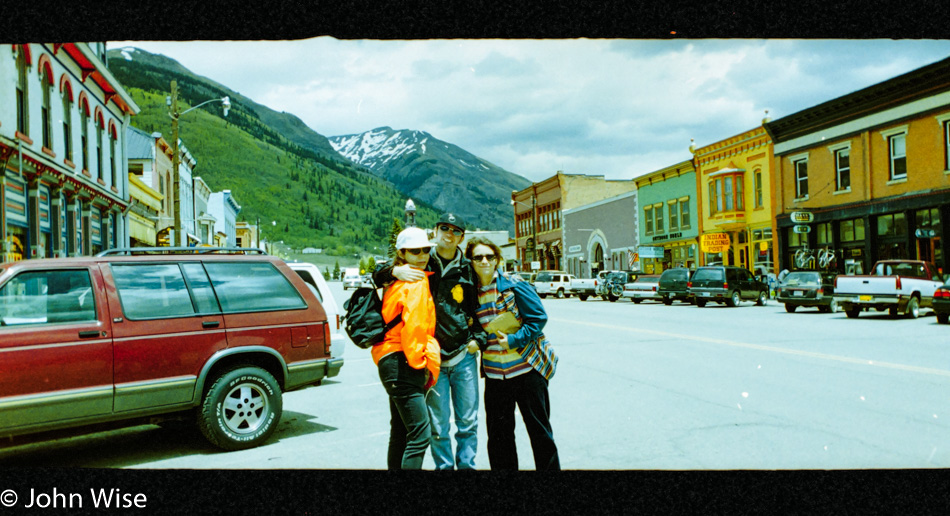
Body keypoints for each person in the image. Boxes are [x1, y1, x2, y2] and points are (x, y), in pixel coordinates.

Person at [373, 213, 489, 471]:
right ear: (435, 230)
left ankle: (467, 468)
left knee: (468, 422)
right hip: (431, 360)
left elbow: (476, 310)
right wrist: (393, 270)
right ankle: (444, 469)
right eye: (444, 228)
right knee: (437, 425)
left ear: (461, 236)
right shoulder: (419, 266)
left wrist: (478, 340)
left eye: (456, 230)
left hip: (462, 356)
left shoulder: (468, 269)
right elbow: (376, 273)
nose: (449, 233)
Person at [466, 236, 560, 470]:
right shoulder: (470, 293)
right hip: (495, 376)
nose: (485, 261)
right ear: (471, 261)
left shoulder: (513, 284)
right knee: (499, 439)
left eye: (490, 256)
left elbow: (538, 318)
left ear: (497, 259)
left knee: (540, 434)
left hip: (527, 370)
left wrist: (514, 339)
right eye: (478, 257)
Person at [371, 227, 441, 470]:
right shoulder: (416, 281)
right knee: (420, 436)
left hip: (389, 360)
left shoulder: (396, 279)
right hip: (404, 361)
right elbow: (415, 329)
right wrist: (420, 365)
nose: (422, 255)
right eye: (414, 251)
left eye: (425, 250)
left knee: (400, 431)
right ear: (402, 253)